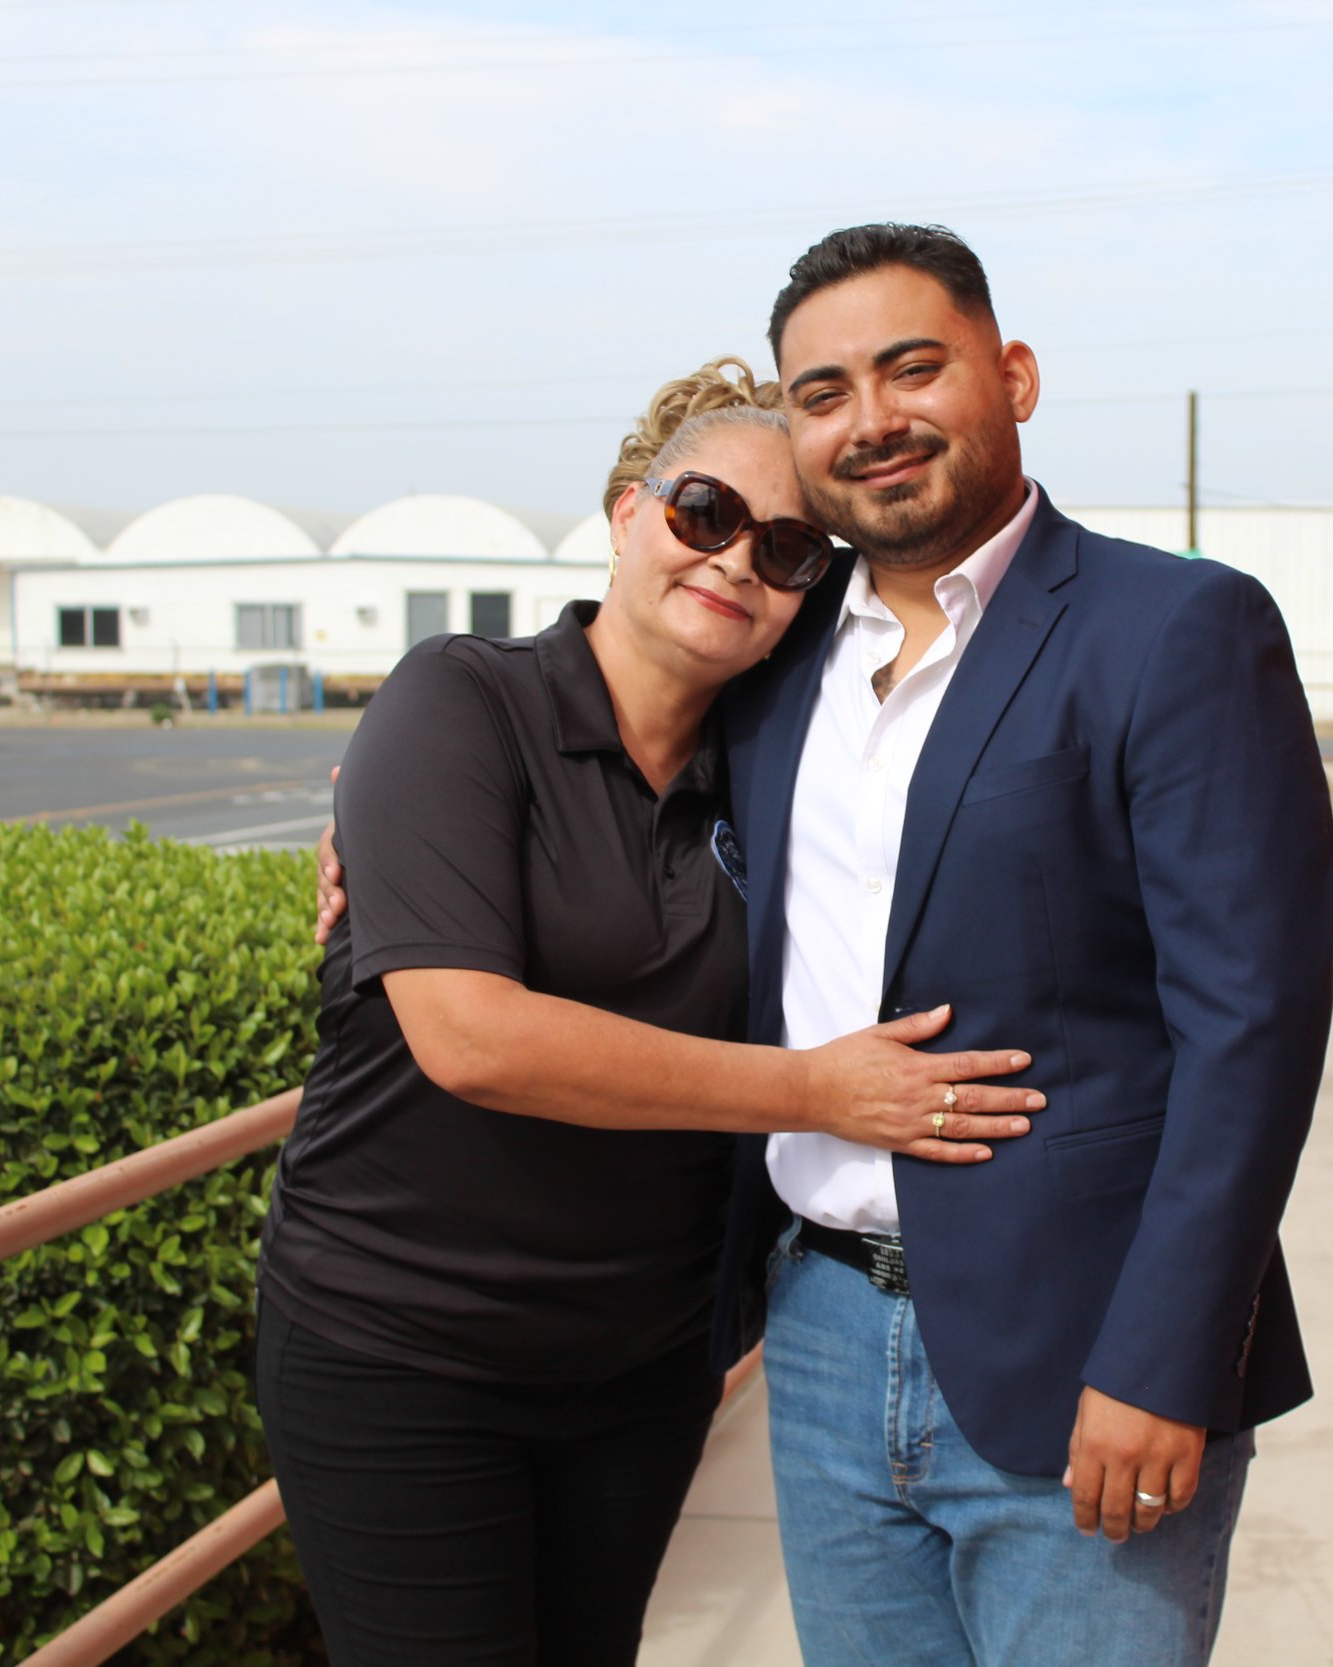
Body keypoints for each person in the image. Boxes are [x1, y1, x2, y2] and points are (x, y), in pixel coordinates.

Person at [257, 358, 1044, 1667]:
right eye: (704, 513)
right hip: (403, 1347)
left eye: (788, 549)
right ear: (629, 511)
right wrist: (817, 1090)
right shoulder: (462, 701)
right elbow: (469, 1036)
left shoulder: (782, 771)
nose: (736, 560)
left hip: (643, 1364)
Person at [702, 224, 1333, 1667]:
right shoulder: (776, 656)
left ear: (1015, 377)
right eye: (822, 394)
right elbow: (619, 680)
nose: (872, 421)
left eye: (911, 369)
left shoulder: (1175, 628)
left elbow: (1253, 1028)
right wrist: (398, 793)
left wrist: (1168, 1357)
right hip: (818, 1336)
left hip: (1087, 1349)